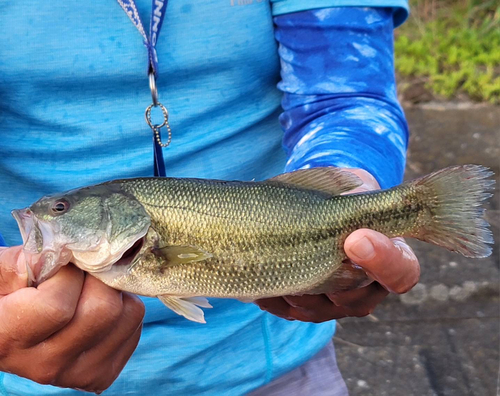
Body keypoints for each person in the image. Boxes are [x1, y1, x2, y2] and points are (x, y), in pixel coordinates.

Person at [0, 1, 419, 395]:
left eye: (60, 210)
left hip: (273, 348)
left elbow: (344, 94)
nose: (51, 215)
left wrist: (359, 193)